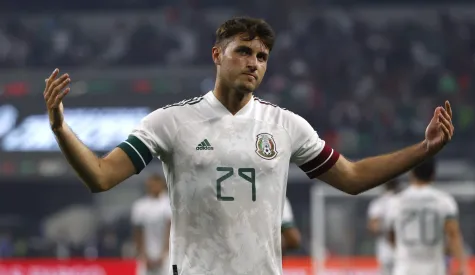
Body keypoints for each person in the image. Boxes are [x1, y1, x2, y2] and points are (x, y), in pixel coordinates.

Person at [43, 16, 454, 275]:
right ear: (217, 55)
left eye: (262, 55)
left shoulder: (285, 124)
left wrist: (423, 149)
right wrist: (60, 127)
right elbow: (100, 177)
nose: (254, 62)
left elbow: (352, 177)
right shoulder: (170, 121)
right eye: (243, 51)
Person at [386, 158, 467, 275]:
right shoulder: (444, 201)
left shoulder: (396, 201)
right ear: (433, 174)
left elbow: (391, 236)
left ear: (411, 173)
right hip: (434, 268)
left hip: (405, 268)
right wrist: (460, 265)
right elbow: (453, 234)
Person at [131, 174, 172, 275]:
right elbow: (138, 232)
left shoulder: (169, 203)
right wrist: (143, 255)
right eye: (150, 185)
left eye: (155, 184)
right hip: (146, 256)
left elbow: (170, 229)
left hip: (167, 255)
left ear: (161, 185)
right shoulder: (140, 206)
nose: (152, 187)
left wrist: (164, 254)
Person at [367, 179, 401, 275]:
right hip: (402, 248)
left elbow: (373, 227)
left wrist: (383, 228)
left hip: (384, 249)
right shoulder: (403, 201)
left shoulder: (379, 203)